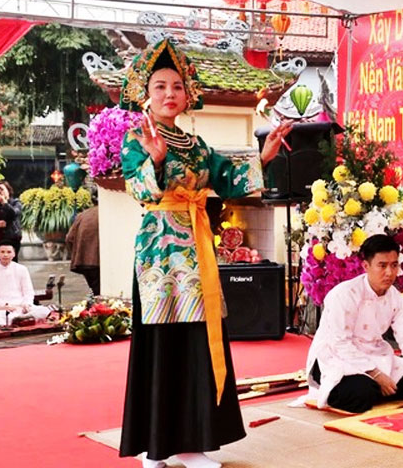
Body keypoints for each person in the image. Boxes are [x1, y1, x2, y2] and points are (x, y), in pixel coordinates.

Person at [117, 38, 291, 468]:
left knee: (196, 341)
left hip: (196, 251)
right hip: (159, 253)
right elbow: (138, 187)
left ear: (187, 93)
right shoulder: (136, 138)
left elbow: (229, 177)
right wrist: (154, 161)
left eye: (176, 86)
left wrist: (263, 157)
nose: (169, 94)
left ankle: (193, 443)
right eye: (160, 86)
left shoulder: (196, 145)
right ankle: (155, 449)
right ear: (146, 93)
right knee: (162, 344)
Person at [304, 233, 403, 413]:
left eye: (394, 265)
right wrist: (377, 375)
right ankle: (348, 388)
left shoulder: (396, 298)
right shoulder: (343, 295)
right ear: (366, 266)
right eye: (382, 265)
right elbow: (339, 343)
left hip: (374, 353)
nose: (389, 272)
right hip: (335, 356)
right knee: (361, 394)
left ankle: (375, 386)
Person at [0, 240, 51, 326]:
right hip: (4, 307)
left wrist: (27, 304)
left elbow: (28, 291)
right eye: (2, 252)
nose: (5, 255)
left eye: (9, 252)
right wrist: (5, 306)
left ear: (14, 254)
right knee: (4, 317)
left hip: (22, 305)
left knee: (44, 311)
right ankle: (21, 319)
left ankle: (23, 317)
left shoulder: (22, 269)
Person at [66, 200, 100, 295]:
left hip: (83, 260)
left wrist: (76, 254)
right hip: (100, 261)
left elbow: (69, 238)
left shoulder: (83, 215)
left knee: (95, 289)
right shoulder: (106, 213)